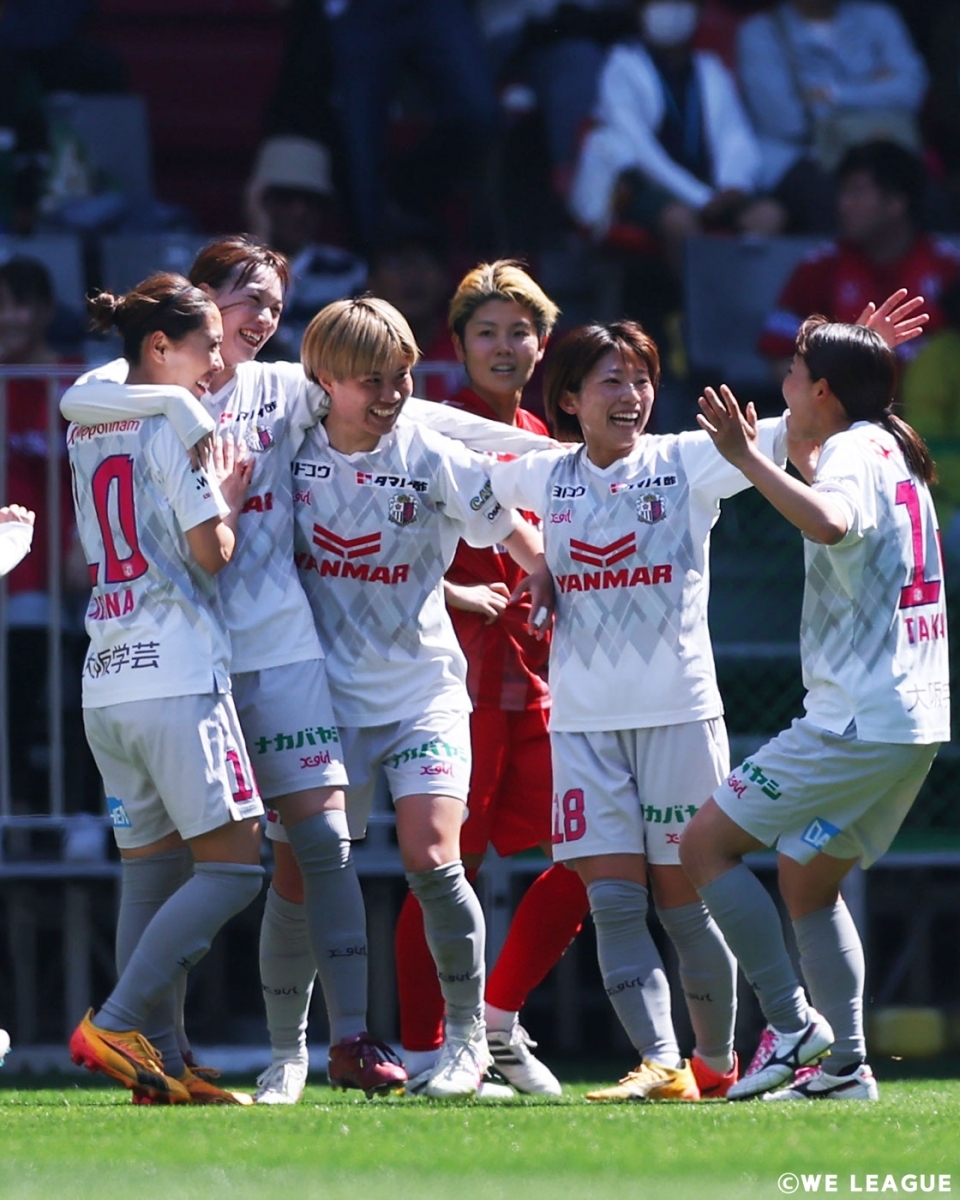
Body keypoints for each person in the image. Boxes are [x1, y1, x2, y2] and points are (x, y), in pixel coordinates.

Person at [60, 235, 408, 1104]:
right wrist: (209, 459)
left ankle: (336, 1040)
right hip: (188, 661)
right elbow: (207, 542)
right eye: (248, 299)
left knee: (312, 842)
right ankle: (143, 1035)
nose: (263, 319)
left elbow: (403, 413)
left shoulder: (275, 387)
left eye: (276, 305)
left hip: (238, 653)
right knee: (211, 869)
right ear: (197, 304)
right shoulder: (145, 398)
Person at [484, 319, 795, 1102]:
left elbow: (802, 426)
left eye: (643, 379)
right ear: (569, 399)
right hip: (583, 726)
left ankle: (715, 1066)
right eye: (612, 381)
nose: (632, 395)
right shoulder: (546, 476)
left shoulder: (688, 459)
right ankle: (660, 1062)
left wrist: (851, 359)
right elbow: (456, 475)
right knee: (614, 903)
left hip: (678, 718)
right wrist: (534, 560)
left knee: (686, 907)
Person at [272, 295, 551, 1099]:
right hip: (317, 700)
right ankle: (292, 1054)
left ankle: (464, 1045)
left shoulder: (431, 451)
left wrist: (543, 570)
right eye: (373, 381)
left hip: (423, 691)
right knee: (300, 875)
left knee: (435, 859)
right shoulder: (289, 449)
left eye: (401, 377)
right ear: (324, 380)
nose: (392, 394)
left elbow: (511, 528)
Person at [682, 318, 948, 1101]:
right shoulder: (886, 444)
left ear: (824, 389)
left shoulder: (853, 453)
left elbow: (828, 519)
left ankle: (793, 1023)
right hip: (911, 721)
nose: (784, 380)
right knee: (805, 876)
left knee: (704, 846)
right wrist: (854, 351)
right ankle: (846, 1067)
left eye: (797, 370)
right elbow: (809, 461)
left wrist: (743, 459)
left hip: (856, 721)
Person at [64, 273, 265, 1104]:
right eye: (206, 346)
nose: (217, 363)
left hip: (108, 679)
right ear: (159, 346)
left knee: (150, 879)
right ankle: (115, 1023)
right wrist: (231, 499)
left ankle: (164, 1065)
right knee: (236, 867)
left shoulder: (93, 416)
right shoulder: (177, 430)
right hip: (177, 673)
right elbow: (211, 553)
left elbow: (83, 392)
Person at [394, 261, 588, 1095]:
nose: (504, 347)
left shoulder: (545, 434)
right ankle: (424, 1050)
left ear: (543, 345)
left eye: (520, 332)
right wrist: (456, 593)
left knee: (594, 854)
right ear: (458, 344)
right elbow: (377, 552)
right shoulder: (429, 429)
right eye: (487, 332)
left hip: (538, 683)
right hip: (457, 684)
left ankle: (497, 1025)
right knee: (449, 870)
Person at [569, 0, 784, 271]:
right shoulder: (621, 67)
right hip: (646, 186)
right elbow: (642, 152)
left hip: (710, 186)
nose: (670, 10)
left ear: (698, 10)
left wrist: (733, 185)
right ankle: (698, 297)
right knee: (679, 221)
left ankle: (745, 292)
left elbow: (734, 135)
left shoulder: (709, 68)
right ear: (640, 11)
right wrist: (701, 199)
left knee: (768, 215)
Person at [758, 141, 960, 375]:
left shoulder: (947, 266)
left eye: (857, 193)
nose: (843, 205)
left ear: (896, 203)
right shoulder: (819, 267)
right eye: (842, 192)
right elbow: (780, 353)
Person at [737, 0, 928, 233]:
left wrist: (834, 94)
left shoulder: (879, 17)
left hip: (878, 143)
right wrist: (876, 89)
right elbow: (785, 121)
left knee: (928, 200)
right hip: (803, 154)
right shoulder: (761, 31)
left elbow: (912, 91)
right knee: (833, 201)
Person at [245, 135, 367, 361]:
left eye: (309, 200)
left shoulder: (345, 270)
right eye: (285, 198)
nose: (298, 212)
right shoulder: (227, 265)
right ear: (260, 202)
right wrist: (260, 242)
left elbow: (332, 353)